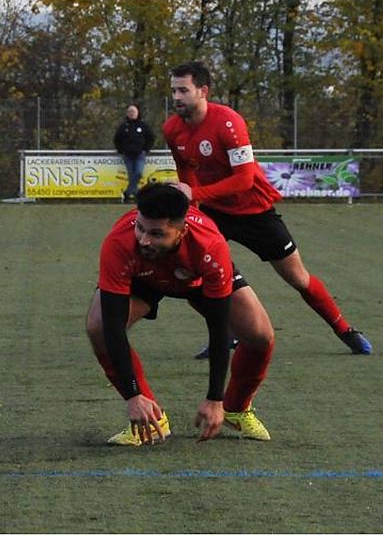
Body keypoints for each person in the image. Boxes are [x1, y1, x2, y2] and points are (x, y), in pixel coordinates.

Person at [163, 61, 372, 357]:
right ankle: (226, 334)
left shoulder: (228, 123)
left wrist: (195, 193)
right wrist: (193, 206)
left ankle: (345, 330)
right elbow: (185, 168)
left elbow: (244, 179)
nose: (177, 97)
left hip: (255, 212)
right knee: (190, 270)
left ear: (203, 91)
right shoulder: (172, 128)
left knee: (298, 279)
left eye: (183, 90)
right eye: (173, 91)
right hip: (214, 212)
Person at [86, 184, 275, 445]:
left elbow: (219, 328)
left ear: (181, 231)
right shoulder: (119, 242)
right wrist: (133, 395)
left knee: (260, 335)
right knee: (98, 327)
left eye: (156, 234)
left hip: (198, 280)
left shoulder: (211, 246)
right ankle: (151, 419)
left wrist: (215, 398)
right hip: (143, 279)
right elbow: (113, 327)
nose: (143, 239)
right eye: (140, 228)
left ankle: (236, 409)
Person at [113, 103, 155, 203]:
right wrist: (121, 150)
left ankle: (127, 193)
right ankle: (137, 196)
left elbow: (151, 138)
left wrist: (146, 149)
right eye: (130, 112)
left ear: (137, 113)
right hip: (127, 155)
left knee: (138, 174)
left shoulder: (143, 125)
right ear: (127, 113)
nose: (132, 113)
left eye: (133, 111)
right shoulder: (123, 126)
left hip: (140, 154)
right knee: (132, 176)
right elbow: (117, 139)